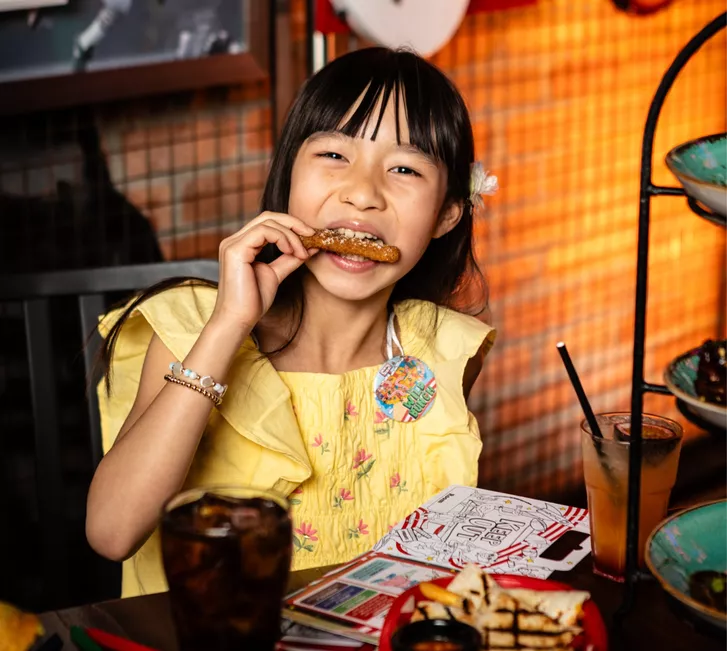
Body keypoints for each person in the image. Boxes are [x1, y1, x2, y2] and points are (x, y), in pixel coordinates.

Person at [86, 46, 498, 598]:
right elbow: (112, 533)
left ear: (447, 213)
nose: (361, 193)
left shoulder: (439, 350)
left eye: (404, 168)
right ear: (288, 180)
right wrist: (228, 326)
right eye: (333, 154)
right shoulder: (191, 326)